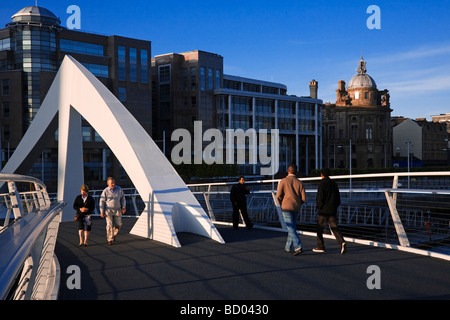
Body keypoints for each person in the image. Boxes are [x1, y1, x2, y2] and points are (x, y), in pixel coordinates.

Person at [313, 168, 347, 254]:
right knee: (334, 227)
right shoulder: (334, 183)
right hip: (332, 209)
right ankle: (342, 242)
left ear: (322, 175)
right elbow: (338, 198)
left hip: (323, 210)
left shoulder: (322, 184)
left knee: (320, 228)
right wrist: (335, 206)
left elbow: (320, 197)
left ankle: (321, 246)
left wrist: (319, 207)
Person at [276, 164, 306, 255]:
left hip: (286, 206)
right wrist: (298, 203)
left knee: (290, 227)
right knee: (292, 227)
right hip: (296, 207)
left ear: (288, 171)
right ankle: (288, 247)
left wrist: (281, 202)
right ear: (296, 172)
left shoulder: (283, 181)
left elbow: (278, 195)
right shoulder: (300, 182)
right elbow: (304, 198)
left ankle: (298, 246)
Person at [99, 177, 126, 245]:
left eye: (114, 182)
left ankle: (113, 234)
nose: (113, 184)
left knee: (119, 224)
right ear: (108, 184)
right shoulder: (105, 191)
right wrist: (101, 211)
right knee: (109, 225)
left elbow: (123, 198)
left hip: (117, 210)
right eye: (111, 183)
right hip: (108, 211)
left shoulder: (119, 189)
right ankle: (110, 239)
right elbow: (101, 201)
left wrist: (123, 207)